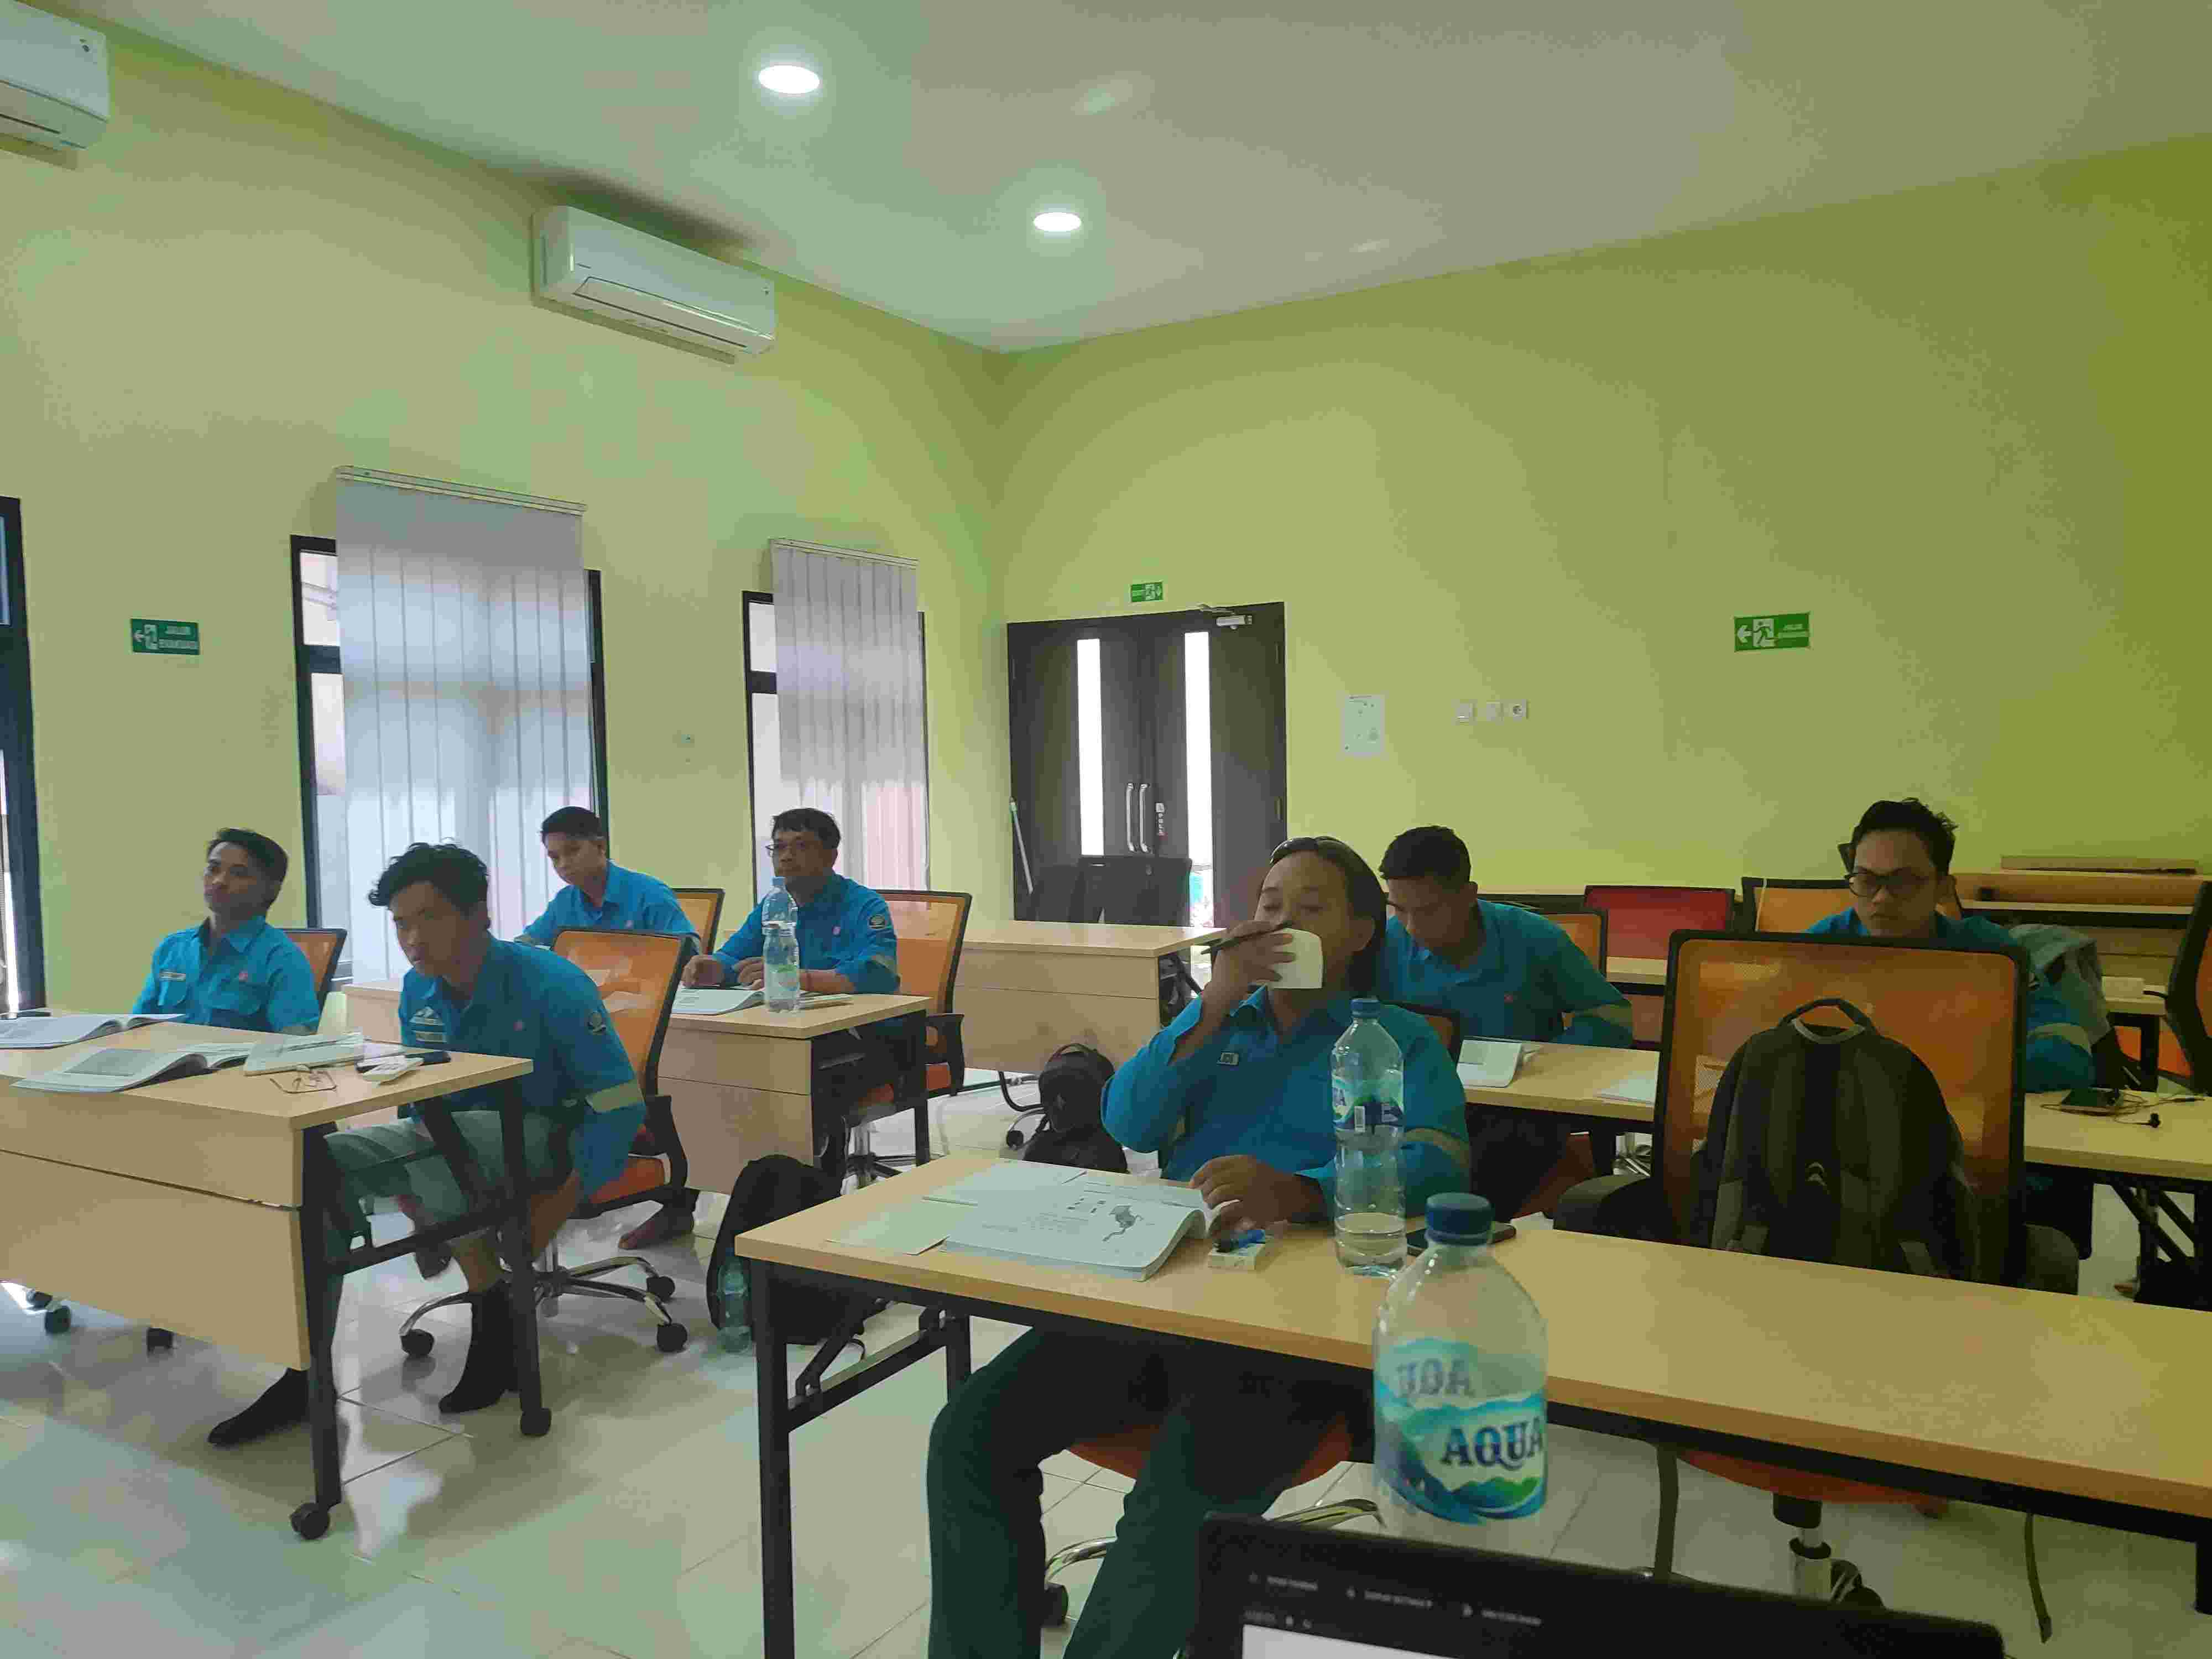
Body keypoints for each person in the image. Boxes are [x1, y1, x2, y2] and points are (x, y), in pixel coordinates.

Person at [925, 836, 1468, 1659]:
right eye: (1270, 905)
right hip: (1166, 1296)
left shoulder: (1392, 1037)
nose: (1281, 922)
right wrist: (1212, 1004)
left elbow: (1440, 1161)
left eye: (1311, 907)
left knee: (1179, 1497)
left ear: (1360, 933)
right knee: (969, 1434)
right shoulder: (1217, 1022)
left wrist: (1306, 1189)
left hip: (1289, 1330)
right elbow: (1127, 1121)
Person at [206, 842, 644, 1448]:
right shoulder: (420, 989)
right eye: (401, 924)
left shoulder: (552, 983)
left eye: (429, 918)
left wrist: (567, 1196)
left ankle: (491, 1305)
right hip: (454, 1148)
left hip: (548, 1139)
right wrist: (418, 1206)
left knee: (441, 1142)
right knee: (316, 1169)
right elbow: (421, 1098)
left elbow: (620, 1105)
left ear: (478, 914)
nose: (413, 939)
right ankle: (306, 1374)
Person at [1376, 824, 1634, 1218]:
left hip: (1514, 1113)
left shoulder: (1533, 938)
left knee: (1477, 1184)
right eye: (1399, 909)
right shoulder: (1385, 945)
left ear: (1468, 895)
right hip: (1419, 1104)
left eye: (1427, 911)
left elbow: (1611, 1016)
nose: (1411, 926)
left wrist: (1545, 1060)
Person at [1809, 799, 2094, 1092]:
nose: (1881, 898)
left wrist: (1941, 1069)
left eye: (1904, 881)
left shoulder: (1987, 951)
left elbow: (2069, 1056)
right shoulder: (1821, 945)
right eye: (1866, 879)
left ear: (1943, 888)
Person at [680, 807, 899, 995]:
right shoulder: (774, 905)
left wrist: (794, 978)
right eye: (779, 847)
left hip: (856, 1024)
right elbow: (734, 956)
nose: (786, 857)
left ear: (831, 857)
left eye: (801, 846)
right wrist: (715, 968)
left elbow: (878, 972)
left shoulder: (865, 905)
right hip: (791, 1018)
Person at [133, 830, 320, 1034]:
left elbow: (296, 1043)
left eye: (239, 873)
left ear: (271, 889)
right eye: (213, 869)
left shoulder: (282, 959)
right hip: (167, 1054)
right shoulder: (172, 948)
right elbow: (137, 1028)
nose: (219, 881)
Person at [517, 805, 696, 948]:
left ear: (601, 846)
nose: (563, 864)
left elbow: (688, 950)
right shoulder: (565, 901)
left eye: (572, 851)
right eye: (555, 857)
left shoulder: (650, 893)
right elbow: (527, 945)